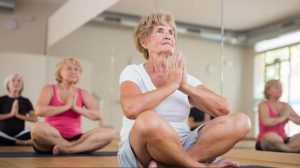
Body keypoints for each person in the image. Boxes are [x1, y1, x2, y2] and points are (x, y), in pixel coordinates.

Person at [118, 12, 251, 168]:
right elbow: (131, 109)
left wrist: (185, 87)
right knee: (148, 119)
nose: (168, 36)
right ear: (144, 42)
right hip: (141, 152)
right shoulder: (134, 71)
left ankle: (176, 163)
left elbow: (223, 108)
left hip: (182, 146)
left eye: (171, 33)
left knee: (242, 121)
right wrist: (171, 86)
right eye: (160, 31)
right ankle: (197, 166)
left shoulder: (183, 78)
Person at [31, 57, 115, 154]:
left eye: (76, 69)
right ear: (60, 72)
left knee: (110, 132)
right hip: (50, 137)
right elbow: (39, 111)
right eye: (69, 68)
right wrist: (66, 107)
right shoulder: (49, 89)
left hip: (76, 137)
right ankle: (73, 148)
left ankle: (69, 149)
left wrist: (76, 108)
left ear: (79, 74)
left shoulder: (83, 93)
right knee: (36, 128)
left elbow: (97, 115)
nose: (74, 71)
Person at [256, 79, 300, 152]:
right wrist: (284, 117)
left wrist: (290, 117)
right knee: (271, 136)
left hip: (284, 140)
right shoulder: (263, 105)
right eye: (277, 87)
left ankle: (285, 149)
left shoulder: (286, 106)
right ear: (268, 91)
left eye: (281, 87)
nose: (280, 90)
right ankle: (290, 149)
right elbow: (266, 122)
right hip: (268, 140)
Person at [0, 73, 38, 145]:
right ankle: (20, 142)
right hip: (3, 133)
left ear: (22, 85)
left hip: (20, 134)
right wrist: (11, 114)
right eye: (13, 80)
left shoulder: (25, 101)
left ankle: (11, 141)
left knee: (35, 129)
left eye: (19, 81)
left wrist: (18, 115)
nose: (16, 83)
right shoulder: (1, 100)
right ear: (8, 84)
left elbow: (35, 119)